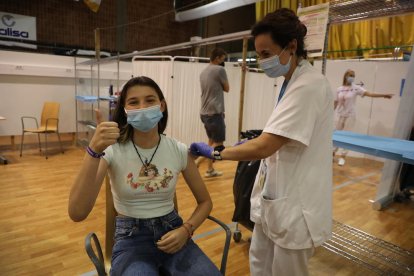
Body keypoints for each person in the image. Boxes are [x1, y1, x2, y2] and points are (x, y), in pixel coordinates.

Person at [190, 8, 333, 276]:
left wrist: (218, 153)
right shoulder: (289, 81)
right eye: (259, 54)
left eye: (266, 54)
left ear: (291, 46)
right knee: (260, 264)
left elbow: (267, 145)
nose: (262, 60)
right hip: (275, 199)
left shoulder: (309, 85)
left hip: (296, 206)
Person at [68, 76, 221, 276]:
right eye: (133, 102)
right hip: (131, 241)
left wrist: (186, 230)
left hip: (173, 232)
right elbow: (77, 212)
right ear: (124, 109)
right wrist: (94, 150)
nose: (142, 107)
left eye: (150, 100)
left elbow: (205, 202)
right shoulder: (112, 150)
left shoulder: (178, 150)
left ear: (162, 105)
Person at [334, 69, 393, 166]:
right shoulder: (339, 89)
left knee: (347, 137)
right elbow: (336, 102)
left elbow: (369, 94)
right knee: (336, 135)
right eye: (350, 75)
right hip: (339, 115)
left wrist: (383, 95)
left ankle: (342, 157)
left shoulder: (356, 88)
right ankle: (332, 153)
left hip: (350, 116)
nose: (352, 77)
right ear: (345, 76)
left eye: (353, 75)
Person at [195, 47, 230, 177]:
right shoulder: (220, 70)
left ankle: (210, 170)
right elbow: (227, 88)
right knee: (218, 145)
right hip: (214, 113)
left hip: (205, 113)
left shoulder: (203, 72)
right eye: (222, 59)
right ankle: (197, 162)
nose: (223, 62)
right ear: (217, 58)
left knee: (211, 142)